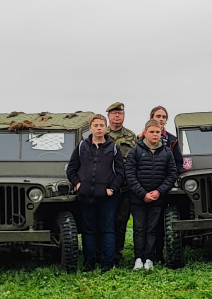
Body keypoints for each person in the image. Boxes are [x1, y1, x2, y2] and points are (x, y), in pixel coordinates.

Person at [66, 114, 125, 272]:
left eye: (101, 125)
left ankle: (107, 263)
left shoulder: (113, 148)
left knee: (108, 230)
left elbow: (120, 173)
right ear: (90, 128)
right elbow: (71, 169)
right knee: (89, 231)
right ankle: (89, 263)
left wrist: (111, 189)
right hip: (86, 197)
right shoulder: (81, 147)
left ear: (105, 127)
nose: (99, 128)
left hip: (107, 198)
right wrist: (78, 184)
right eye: (96, 125)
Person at [125, 120, 178, 270]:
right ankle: (138, 259)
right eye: (152, 132)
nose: (155, 135)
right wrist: (142, 194)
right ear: (145, 133)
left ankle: (149, 258)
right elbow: (129, 174)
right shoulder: (135, 151)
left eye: (158, 132)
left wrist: (159, 191)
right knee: (139, 229)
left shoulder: (167, 152)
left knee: (152, 229)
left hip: (157, 199)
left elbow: (171, 174)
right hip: (138, 199)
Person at [104, 103, 138, 264]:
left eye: (120, 113)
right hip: (105, 186)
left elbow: (136, 159)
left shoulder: (131, 136)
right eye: (114, 113)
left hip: (124, 187)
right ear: (108, 116)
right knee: (104, 220)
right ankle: (102, 253)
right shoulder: (101, 134)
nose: (117, 116)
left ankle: (116, 254)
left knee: (121, 221)